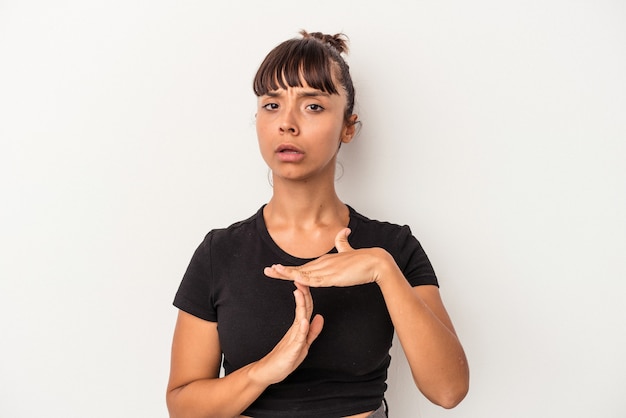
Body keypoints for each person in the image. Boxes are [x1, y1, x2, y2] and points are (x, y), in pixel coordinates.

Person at [166, 30, 469, 418]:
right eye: (272, 104)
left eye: (313, 106)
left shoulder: (393, 247)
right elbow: (182, 408)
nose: (287, 123)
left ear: (348, 126)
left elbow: (448, 391)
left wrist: (381, 269)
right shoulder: (219, 253)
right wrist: (264, 372)